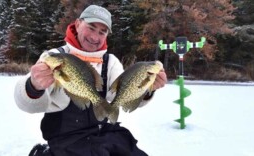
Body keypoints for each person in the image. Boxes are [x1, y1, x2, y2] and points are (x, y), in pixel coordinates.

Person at [14, 4, 167, 156]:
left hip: (101, 134)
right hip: (64, 139)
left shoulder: (111, 62)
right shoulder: (54, 56)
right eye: (91, 27)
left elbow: (122, 96)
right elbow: (26, 104)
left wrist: (146, 89)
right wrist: (34, 86)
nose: (95, 37)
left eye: (102, 32)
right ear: (78, 24)